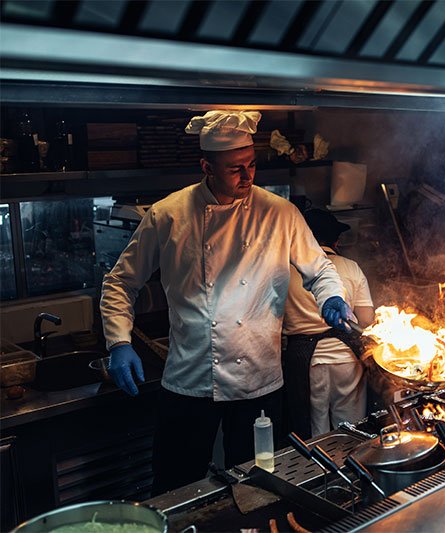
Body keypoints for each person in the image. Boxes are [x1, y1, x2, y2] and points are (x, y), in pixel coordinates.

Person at [99, 110, 354, 494]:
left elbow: (320, 269)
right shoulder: (168, 215)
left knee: (259, 487)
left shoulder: (280, 213)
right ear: (207, 166)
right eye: (236, 169)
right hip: (189, 378)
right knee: (174, 485)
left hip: (260, 378)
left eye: (252, 165)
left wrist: (332, 295)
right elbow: (120, 282)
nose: (248, 177)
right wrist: (119, 341)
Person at [282, 209, 374, 437]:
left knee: (314, 434)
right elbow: (367, 321)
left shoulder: (284, 270)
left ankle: (318, 471)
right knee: (352, 432)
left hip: (304, 362)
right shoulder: (351, 267)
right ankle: (351, 471)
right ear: (336, 240)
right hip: (346, 360)